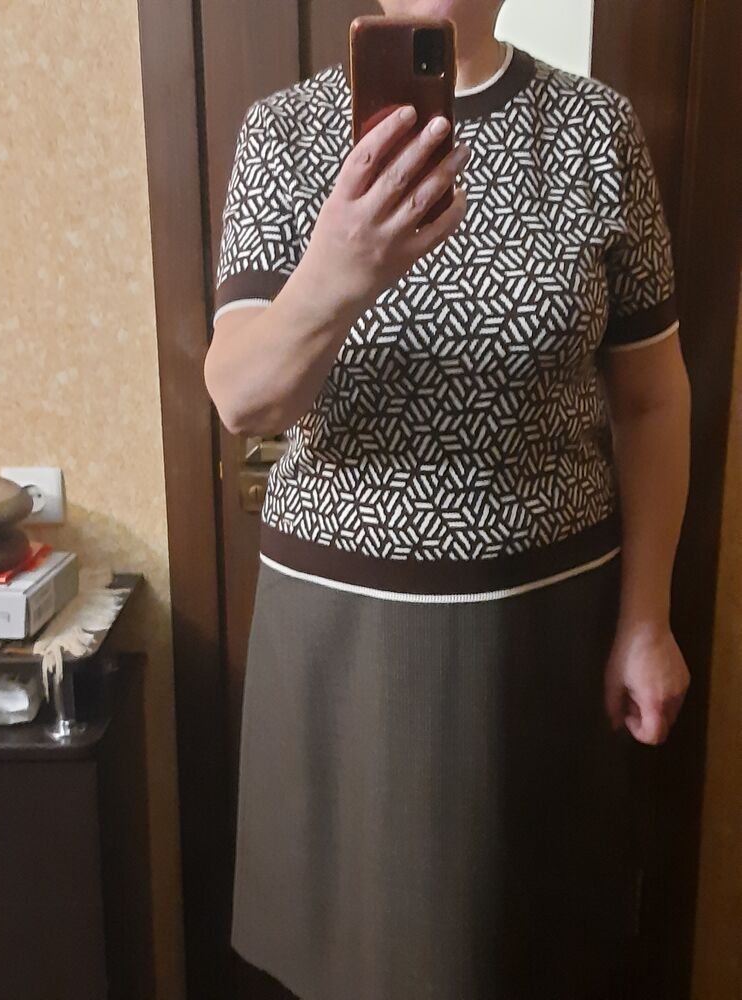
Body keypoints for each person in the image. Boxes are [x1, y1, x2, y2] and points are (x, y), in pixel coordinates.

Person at [204, 1, 692, 997]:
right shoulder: (283, 134)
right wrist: (338, 272)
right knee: (350, 963)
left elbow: (652, 398)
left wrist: (647, 619)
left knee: (537, 954)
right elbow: (244, 398)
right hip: (344, 651)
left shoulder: (597, 129)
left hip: (548, 637)